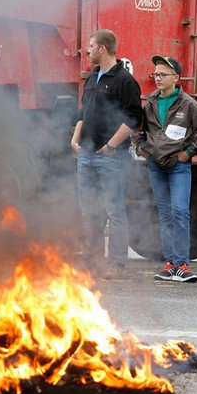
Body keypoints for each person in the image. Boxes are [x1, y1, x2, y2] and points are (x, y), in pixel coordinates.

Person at [135, 56, 197, 282]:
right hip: (155, 166)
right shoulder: (150, 102)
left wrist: (187, 153)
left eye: (163, 75)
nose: (158, 79)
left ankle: (182, 265)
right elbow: (139, 131)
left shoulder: (188, 104)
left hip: (178, 167)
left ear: (176, 78)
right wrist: (142, 148)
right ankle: (169, 264)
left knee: (180, 212)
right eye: (156, 75)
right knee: (165, 214)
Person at [71, 29, 143, 280]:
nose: (87, 50)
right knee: (88, 210)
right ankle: (92, 261)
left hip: (111, 157)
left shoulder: (125, 80)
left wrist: (111, 146)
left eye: (91, 46)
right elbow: (84, 111)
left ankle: (116, 264)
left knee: (114, 210)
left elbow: (134, 117)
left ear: (103, 48)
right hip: (86, 154)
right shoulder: (92, 78)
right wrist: (75, 138)